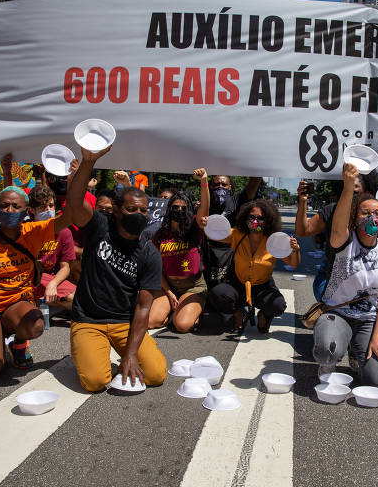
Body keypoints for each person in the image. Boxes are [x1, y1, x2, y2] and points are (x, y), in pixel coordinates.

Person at [68, 147, 168, 392]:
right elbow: (74, 201)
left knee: (155, 375)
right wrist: (88, 161)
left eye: (143, 210)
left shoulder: (150, 252)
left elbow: (144, 307)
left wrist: (131, 355)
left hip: (125, 322)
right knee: (95, 382)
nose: (139, 214)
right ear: (115, 210)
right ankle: (89, 349)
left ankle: (122, 354)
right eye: (131, 209)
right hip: (89, 320)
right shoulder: (99, 227)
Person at [0, 170, 81, 379]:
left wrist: (74, 178)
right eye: (4, 206)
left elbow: (71, 215)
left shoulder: (34, 231)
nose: (9, 210)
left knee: (36, 324)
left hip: (17, 303)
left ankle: (18, 343)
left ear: (25, 211)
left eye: (15, 206)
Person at [312, 163, 378, 388]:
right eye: (366, 213)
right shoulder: (343, 241)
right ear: (354, 216)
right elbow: (339, 226)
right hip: (337, 313)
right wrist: (348, 186)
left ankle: (359, 352)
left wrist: (377, 337)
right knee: (325, 350)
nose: (373, 217)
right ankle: (330, 359)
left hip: (368, 320)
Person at [296, 176, 378, 300]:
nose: (349, 194)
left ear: (368, 193)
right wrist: (302, 201)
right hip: (333, 274)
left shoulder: (375, 213)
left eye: (354, 191)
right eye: (346, 189)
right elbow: (303, 231)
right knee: (331, 303)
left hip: (372, 274)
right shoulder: (333, 210)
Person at [208, 199, 298, 333]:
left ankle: (264, 316)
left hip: (263, 287)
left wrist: (295, 249)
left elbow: (294, 263)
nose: (256, 221)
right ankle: (240, 314)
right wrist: (207, 223)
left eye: (261, 218)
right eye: (252, 217)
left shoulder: (275, 241)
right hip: (237, 284)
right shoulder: (237, 235)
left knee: (277, 304)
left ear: (268, 221)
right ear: (245, 218)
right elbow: (213, 233)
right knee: (218, 294)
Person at [147, 169, 209, 332]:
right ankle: (173, 309)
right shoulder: (160, 235)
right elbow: (157, 268)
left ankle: (192, 310)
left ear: (189, 209)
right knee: (152, 321)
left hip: (193, 286)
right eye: (175, 207)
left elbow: (205, 208)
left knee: (182, 325)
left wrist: (203, 182)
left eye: (184, 208)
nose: (179, 210)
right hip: (168, 285)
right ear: (169, 209)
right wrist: (168, 292)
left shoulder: (195, 228)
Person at [202, 175, 262, 289]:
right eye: (216, 185)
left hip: (231, 254)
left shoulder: (237, 200)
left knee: (225, 291)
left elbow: (255, 181)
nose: (220, 187)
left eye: (224, 185)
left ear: (230, 187)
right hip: (208, 254)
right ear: (210, 187)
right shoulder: (205, 203)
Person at [28, 186, 76, 311]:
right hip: (28, 279)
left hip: (50, 278)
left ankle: (43, 301)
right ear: (32, 210)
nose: (48, 210)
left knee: (77, 300)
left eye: (51, 205)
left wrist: (53, 284)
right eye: (43, 207)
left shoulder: (64, 232)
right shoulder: (25, 230)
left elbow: (65, 267)